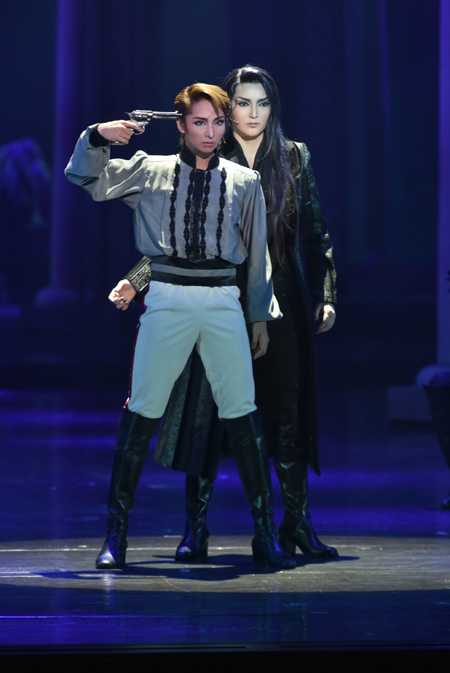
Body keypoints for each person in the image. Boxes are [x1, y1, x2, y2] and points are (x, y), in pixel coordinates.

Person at [65, 82, 296, 571]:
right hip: (168, 298)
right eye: (199, 122)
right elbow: (86, 178)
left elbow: (257, 255)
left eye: (218, 122)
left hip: (222, 300)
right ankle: (116, 535)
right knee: (142, 409)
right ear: (181, 125)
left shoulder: (244, 181)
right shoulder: (150, 170)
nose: (210, 132)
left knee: (241, 410)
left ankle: (263, 536)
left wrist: (259, 316)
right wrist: (98, 134)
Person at [112, 67, 338, 562]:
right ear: (225, 107)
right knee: (206, 413)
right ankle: (195, 528)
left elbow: (314, 233)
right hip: (216, 293)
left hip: (282, 297)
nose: (252, 114)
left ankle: (296, 523)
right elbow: (177, 236)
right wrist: (138, 278)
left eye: (262, 103)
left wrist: (325, 293)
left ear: (273, 108)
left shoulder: (293, 157)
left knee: (286, 413)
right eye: (242, 103)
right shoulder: (209, 152)